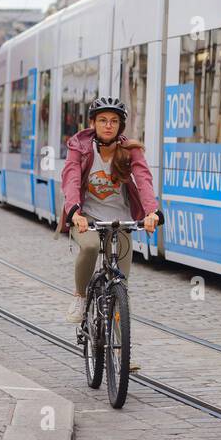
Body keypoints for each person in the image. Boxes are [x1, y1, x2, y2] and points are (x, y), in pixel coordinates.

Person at [57, 97, 160, 324]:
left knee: (120, 287)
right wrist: (74, 212)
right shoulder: (80, 147)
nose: (108, 125)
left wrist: (152, 211)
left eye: (114, 121)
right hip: (86, 217)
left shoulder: (130, 151)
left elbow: (143, 180)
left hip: (119, 220)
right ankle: (80, 296)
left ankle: (119, 354)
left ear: (120, 126)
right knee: (91, 246)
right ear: (93, 123)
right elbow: (71, 179)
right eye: (102, 120)